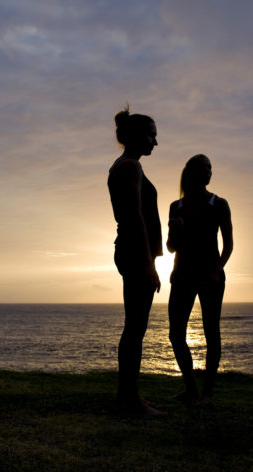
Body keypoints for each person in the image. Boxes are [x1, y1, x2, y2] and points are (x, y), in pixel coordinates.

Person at [107, 104, 164, 416]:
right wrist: (147, 263)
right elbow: (134, 217)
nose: (155, 141)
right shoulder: (129, 166)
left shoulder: (129, 165)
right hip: (133, 251)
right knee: (135, 328)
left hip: (133, 251)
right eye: (151, 135)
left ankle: (129, 396)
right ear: (137, 135)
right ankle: (130, 400)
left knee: (135, 327)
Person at [167, 154, 233, 405]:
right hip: (182, 275)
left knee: (211, 331)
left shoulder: (219, 204)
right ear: (192, 171)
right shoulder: (176, 206)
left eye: (210, 168)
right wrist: (175, 229)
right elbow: (171, 247)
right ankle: (192, 390)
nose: (209, 172)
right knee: (176, 334)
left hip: (210, 276)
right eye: (204, 168)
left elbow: (228, 244)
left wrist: (217, 269)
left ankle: (207, 393)